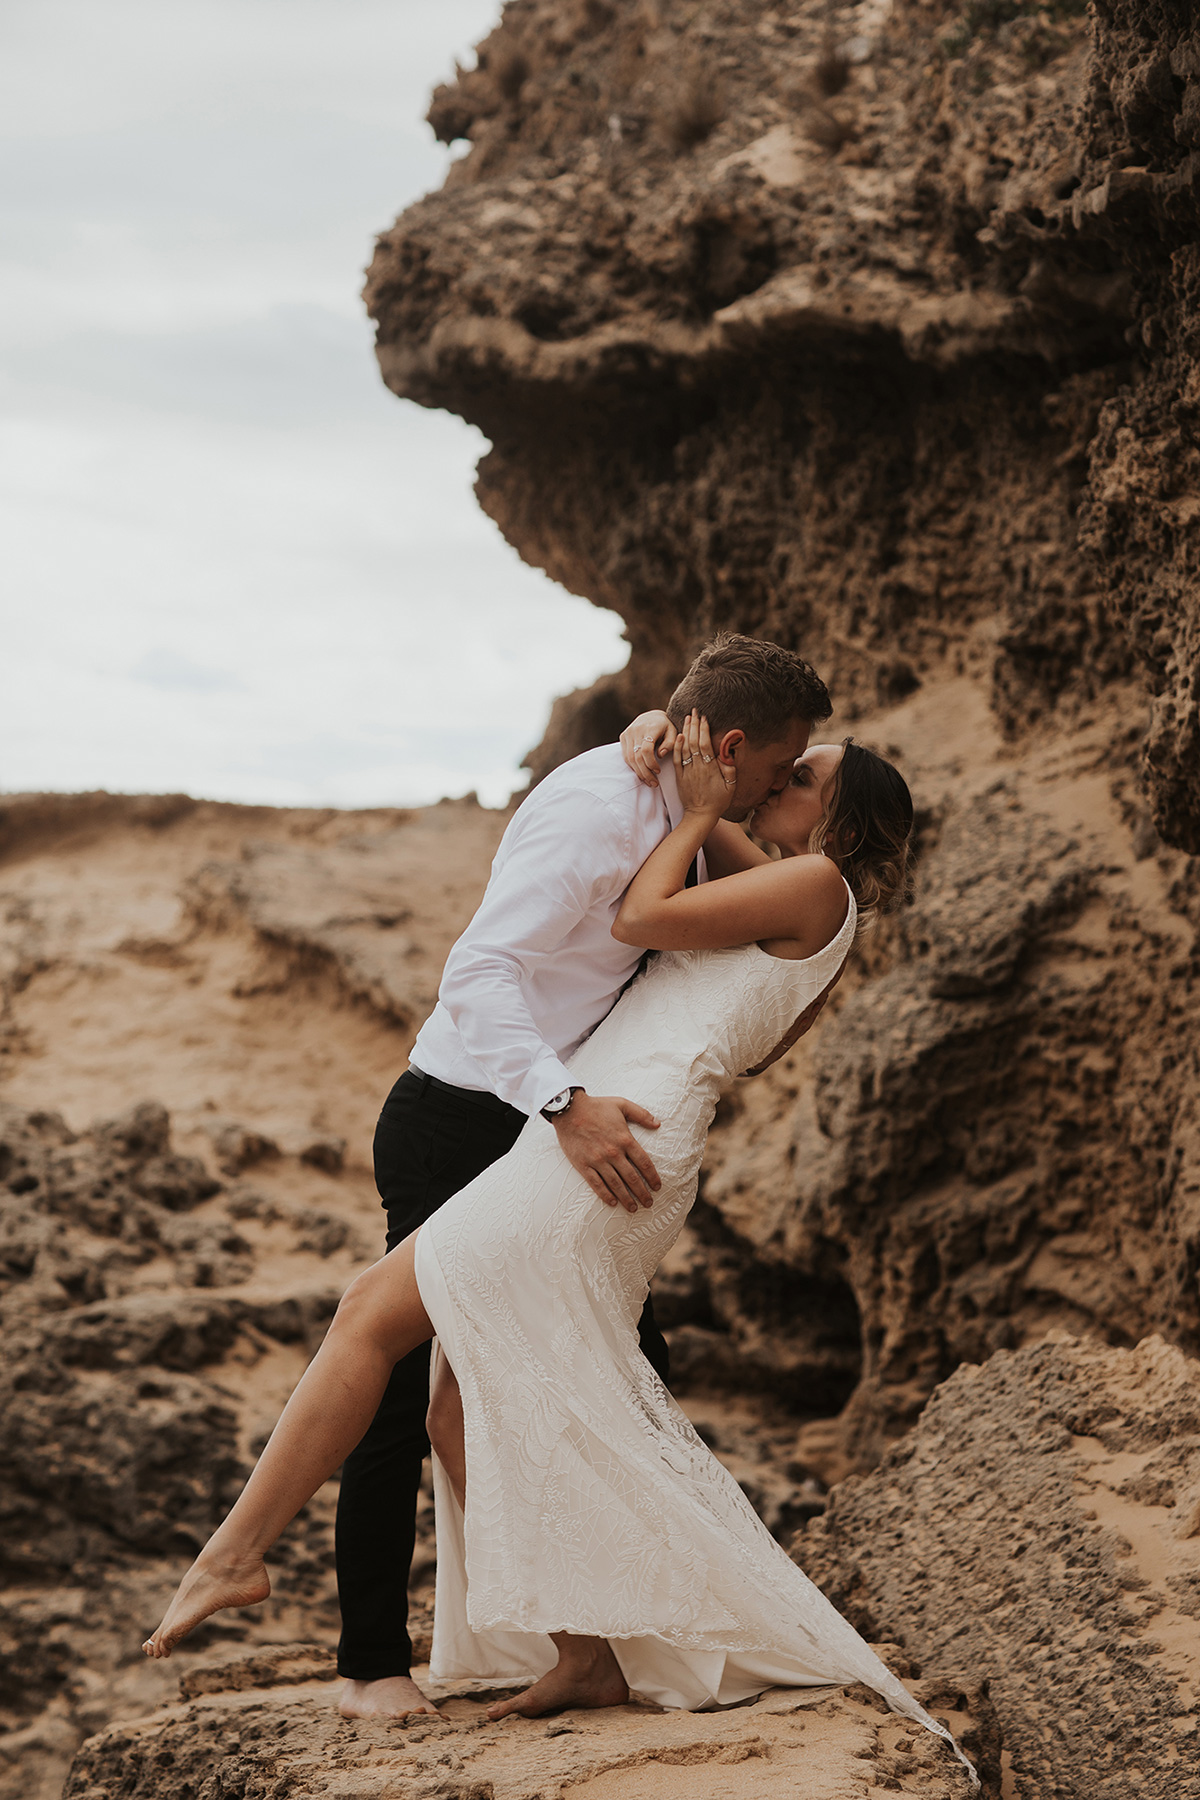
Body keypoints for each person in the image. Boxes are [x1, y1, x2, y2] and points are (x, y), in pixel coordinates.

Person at [142, 713, 976, 1785]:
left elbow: (642, 913)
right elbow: (702, 822)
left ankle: (234, 1556)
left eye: (804, 774)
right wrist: (673, 755)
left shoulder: (817, 891)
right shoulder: (805, 895)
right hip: (616, 1131)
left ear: (840, 820)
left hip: (611, 1136)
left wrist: (708, 807)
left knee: (372, 1313)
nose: (779, 774)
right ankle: (586, 1655)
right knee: (455, 1400)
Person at [332, 632, 832, 1719]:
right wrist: (562, 1106)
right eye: (781, 766)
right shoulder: (599, 808)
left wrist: (687, 780)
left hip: (564, 1134)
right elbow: (480, 974)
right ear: (733, 745)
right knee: (405, 1383)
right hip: (466, 1114)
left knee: (624, 1371)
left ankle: (629, 1640)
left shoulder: (695, 821)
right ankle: (369, 1660)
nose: (781, 787)